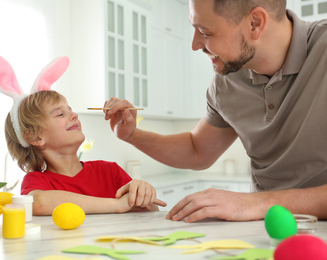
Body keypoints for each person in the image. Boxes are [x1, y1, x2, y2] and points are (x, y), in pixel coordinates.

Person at [103, 0, 327, 222]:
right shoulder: (228, 79)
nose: (195, 44)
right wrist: (133, 135)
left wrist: (257, 203)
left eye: (204, 31)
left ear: (255, 23)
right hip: (262, 230)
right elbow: (197, 150)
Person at [0, 49, 166, 216]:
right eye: (61, 114)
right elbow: (37, 203)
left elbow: (149, 212)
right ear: (36, 137)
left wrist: (143, 193)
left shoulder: (109, 171)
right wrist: (117, 204)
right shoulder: (36, 181)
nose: (74, 115)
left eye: (70, 110)